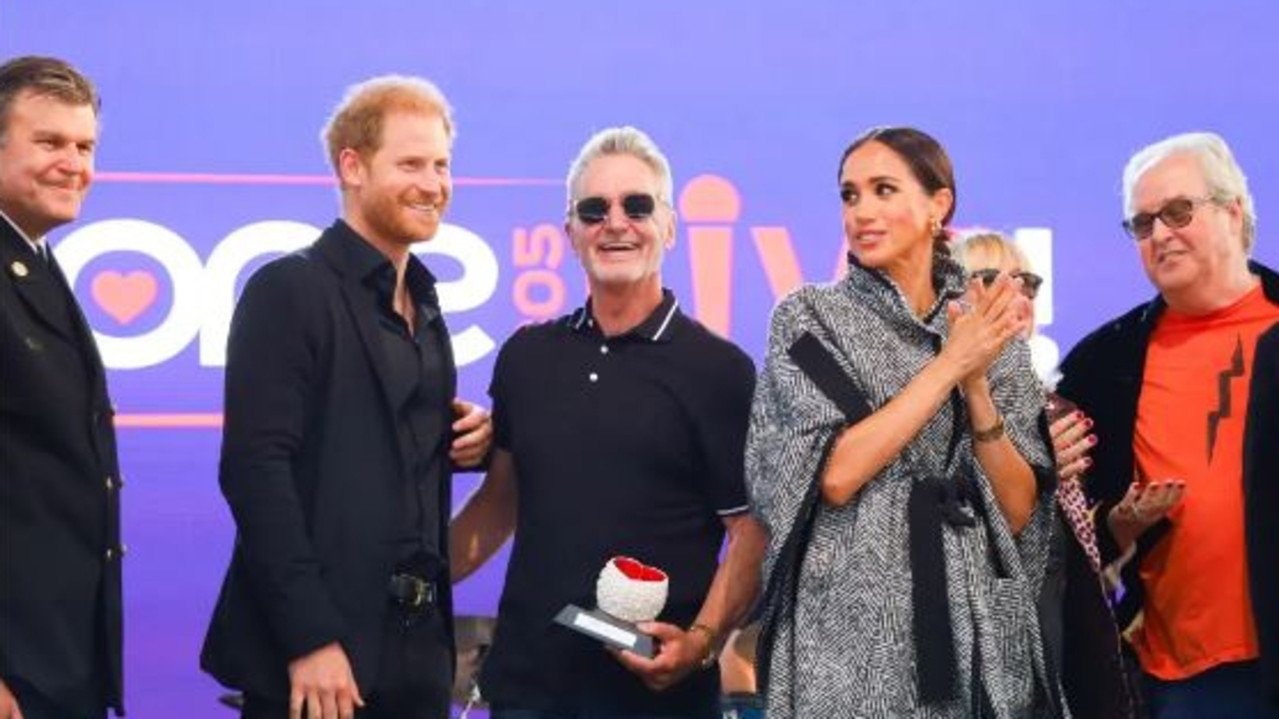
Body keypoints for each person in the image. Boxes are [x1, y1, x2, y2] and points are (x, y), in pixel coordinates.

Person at [200, 75, 493, 719]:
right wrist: (309, 638)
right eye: (411, 163)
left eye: (442, 165)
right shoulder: (289, 289)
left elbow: (376, 442)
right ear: (352, 167)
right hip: (318, 662)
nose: (434, 183)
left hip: (417, 659)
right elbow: (254, 471)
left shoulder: (426, 302)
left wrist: (468, 439)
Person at [746, 126, 1065, 717]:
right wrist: (951, 365)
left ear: (937, 205)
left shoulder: (989, 324)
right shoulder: (809, 319)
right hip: (846, 630)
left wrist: (976, 383)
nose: (861, 211)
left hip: (973, 626)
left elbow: (1018, 509)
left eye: (883, 190)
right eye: (849, 195)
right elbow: (837, 475)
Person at [449, 126, 765, 718]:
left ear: (669, 226)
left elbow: (750, 534)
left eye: (636, 205)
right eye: (593, 210)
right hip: (527, 689)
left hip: (655, 699)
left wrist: (699, 644)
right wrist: (402, 582)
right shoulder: (527, 356)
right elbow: (499, 505)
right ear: (570, 232)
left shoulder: (719, 371)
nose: (614, 223)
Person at [1057, 131, 1279, 717]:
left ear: (1234, 213)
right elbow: (1068, 530)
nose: (1160, 234)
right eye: (1142, 222)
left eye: (1179, 212)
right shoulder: (1100, 364)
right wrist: (1112, 522)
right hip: (1179, 678)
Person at [955, 231, 1139, 718]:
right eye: (992, 279)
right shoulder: (932, 407)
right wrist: (1031, 468)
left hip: (1056, 632)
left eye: (1028, 283)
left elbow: (1065, 550)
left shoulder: (1057, 409)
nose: (1017, 296)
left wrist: (1119, 526)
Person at [0, 56, 124, 719]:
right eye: (49, 143)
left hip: (61, 664)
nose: (73, 165)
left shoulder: (39, 264)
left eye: (84, 147)